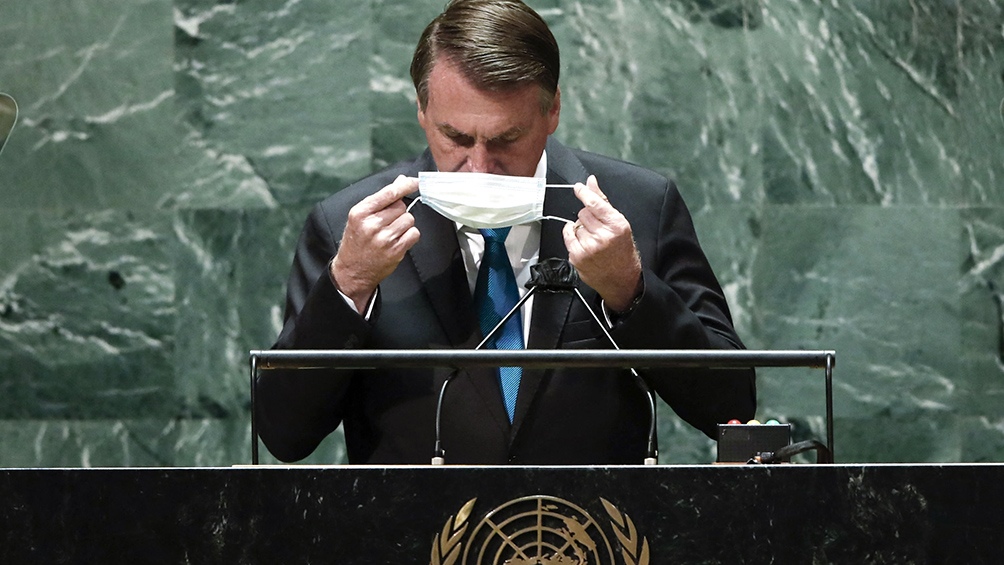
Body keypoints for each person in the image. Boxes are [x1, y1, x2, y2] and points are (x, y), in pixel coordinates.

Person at [256, 0, 755, 465]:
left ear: (552, 110)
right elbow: (285, 437)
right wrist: (348, 284)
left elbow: (730, 408)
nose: (479, 167)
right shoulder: (348, 223)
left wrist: (631, 291)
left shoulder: (639, 206)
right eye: (455, 137)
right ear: (422, 111)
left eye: (506, 140)